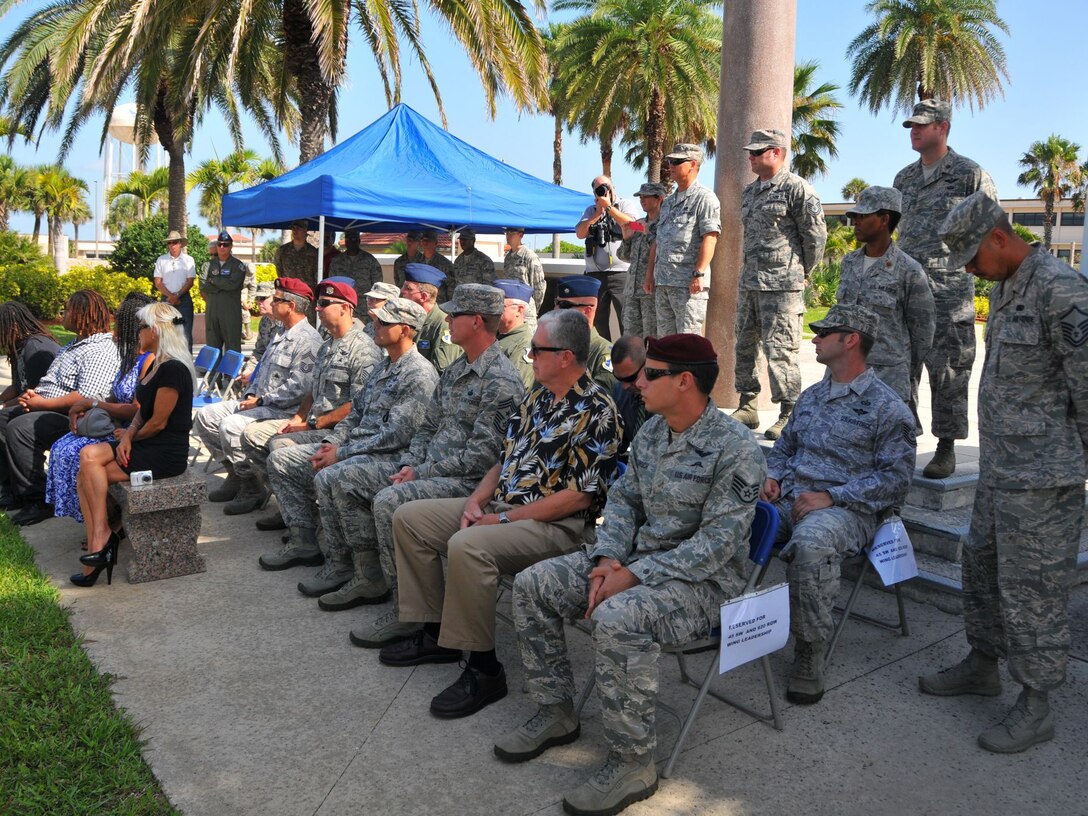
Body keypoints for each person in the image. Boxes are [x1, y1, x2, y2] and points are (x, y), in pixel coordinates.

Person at [495, 334, 765, 816]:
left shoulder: (736, 448)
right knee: (536, 583)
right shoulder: (654, 431)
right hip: (633, 562)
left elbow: (717, 545)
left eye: (650, 374)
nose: (637, 382)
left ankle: (632, 761)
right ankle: (557, 711)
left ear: (685, 382)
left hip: (701, 584)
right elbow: (623, 502)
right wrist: (607, 559)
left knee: (618, 616)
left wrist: (635, 575)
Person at [382, 309, 621, 719]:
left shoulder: (598, 412)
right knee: (410, 518)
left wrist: (504, 519)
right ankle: (436, 632)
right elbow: (504, 460)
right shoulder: (539, 397)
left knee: (469, 545)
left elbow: (578, 499)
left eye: (537, 351)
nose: (529, 356)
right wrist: (477, 501)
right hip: (502, 508)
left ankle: (483, 667)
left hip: (553, 527)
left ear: (565, 356)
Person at [918, 192, 1088, 754]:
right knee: (983, 566)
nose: (968, 270)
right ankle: (983, 662)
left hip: (1043, 479)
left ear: (998, 236)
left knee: (1031, 590)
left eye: (971, 257)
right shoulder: (1007, 283)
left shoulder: (1060, 289)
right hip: (1000, 470)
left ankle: (1036, 703)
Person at [342, 284, 524, 647]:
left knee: (391, 501)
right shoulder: (459, 368)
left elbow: (483, 458)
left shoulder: (500, 380)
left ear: (476, 322)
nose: (448, 320)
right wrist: (412, 464)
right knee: (382, 489)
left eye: (456, 315)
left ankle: (414, 614)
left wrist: (419, 472)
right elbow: (428, 426)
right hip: (437, 471)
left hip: (472, 484)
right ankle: (408, 605)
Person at [762, 304, 916, 705]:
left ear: (850, 340)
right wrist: (773, 477)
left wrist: (833, 496)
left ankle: (809, 652)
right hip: (793, 499)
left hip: (850, 511)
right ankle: (716, 619)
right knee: (732, 521)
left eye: (825, 333)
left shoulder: (889, 409)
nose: (815, 338)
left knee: (812, 545)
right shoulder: (812, 397)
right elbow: (784, 447)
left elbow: (896, 481)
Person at [261, 298, 439, 599]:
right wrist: (332, 443)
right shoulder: (385, 366)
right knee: (282, 459)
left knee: (335, 477)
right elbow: (355, 414)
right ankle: (314, 546)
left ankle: (366, 573)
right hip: (358, 448)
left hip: (393, 458)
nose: (376, 327)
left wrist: (341, 454)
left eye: (384, 323)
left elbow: (397, 435)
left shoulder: (418, 374)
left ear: (406, 330)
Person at [894, 99, 998, 478]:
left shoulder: (969, 175)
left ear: (943, 127)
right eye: (911, 126)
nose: (914, 131)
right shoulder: (903, 179)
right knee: (901, 368)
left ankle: (946, 446)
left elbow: (988, 230)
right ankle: (901, 438)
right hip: (906, 292)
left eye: (922, 125)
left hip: (949, 291)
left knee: (949, 370)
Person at [227, 279, 382, 516]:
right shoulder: (328, 344)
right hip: (312, 422)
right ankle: (292, 503)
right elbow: (312, 389)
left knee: (278, 446)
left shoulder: (363, 349)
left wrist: (312, 423)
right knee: (252, 435)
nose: (317, 308)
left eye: (325, 303)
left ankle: (300, 512)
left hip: (340, 430)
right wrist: (299, 417)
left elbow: (358, 405)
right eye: (318, 303)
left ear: (346, 308)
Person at [71, 303, 196, 587]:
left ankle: (99, 546)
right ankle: (100, 539)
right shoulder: (156, 363)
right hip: (146, 442)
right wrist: (127, 436)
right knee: (87, 461)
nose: (137, 333)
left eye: (141, 327)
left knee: (89, 471)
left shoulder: (173, 369)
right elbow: (143, 412)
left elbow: (159, 423)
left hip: (164, 452)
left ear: (154, 330)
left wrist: (131, 438)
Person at [732, 128, 827, 441]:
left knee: (780, 351)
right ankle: (747, 405)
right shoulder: (750, 192)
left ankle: (789, 412)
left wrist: (800, 272)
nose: (751, 157)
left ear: (776, 152)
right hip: (750, 284)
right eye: (751, 152)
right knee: (744, 345)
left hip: (783, 286)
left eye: (757, 152)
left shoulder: (797, 189)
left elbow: (815, 237)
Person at [195, 278, 321, 503]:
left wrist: (261, 400)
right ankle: (236, 473)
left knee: (231, 425)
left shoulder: (308, 340)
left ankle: (252, 485)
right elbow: (262, 369)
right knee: (206, 416)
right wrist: (252, 394)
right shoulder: (279, 332)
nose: (271, 303)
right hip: (260, 403)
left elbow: (299, 388)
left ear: (291, 306)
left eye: (277, 299)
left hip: (282, 410)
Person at [0, 290, 120, 526]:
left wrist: (40, 403)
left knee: (21, 428)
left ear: (82, 315)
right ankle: (14, 489)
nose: (61, 314)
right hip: (51, 407)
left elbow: (87, 395)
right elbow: (50, 383)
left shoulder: (100, 349)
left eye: (67, 310)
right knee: (3, 419)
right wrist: (35, 394)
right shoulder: (73, 346)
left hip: (78, 418)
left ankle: (38, 499)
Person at [46, 292, 156, 524]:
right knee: (61, 446)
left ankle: (106, 521)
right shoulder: (127, 357)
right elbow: (116, 398)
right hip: (117, 425)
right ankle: (91, 519)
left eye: (120, 318)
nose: (113, 322)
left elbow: (138, 409)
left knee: (77, 454)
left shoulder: (148, 359)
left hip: (133, 433)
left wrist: (96, 404)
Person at [837, 186, 935, 418]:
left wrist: (903, 369)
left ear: (884, 219)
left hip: (888, 379)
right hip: (845, 373)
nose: (856, 222)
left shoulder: (909, 270)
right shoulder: (849, 263)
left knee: (887, 447)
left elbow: (923, 330)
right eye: (855, 216)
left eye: (863, 216)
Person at [643, 145, 720, 336]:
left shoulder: (705, 198)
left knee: (687, 343)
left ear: (693, 164)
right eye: (670, 162)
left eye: (677, 162)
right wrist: (650, 275)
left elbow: (710, 237)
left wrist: (699, 273)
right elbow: (658, 241)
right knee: (665, 342)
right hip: (663, 283)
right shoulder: (668, 202)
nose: (671, 166)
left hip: (688, 285)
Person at [575, 175, 638, 339]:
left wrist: (610, 208)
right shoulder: (590, 210)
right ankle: (604, 358)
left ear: (613, 188)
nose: (602, 191)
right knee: (597, 322)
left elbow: (634, 226)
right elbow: (580, 233)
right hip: (594, 275)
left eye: (605, 187)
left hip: (621, 273)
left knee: (626, 319)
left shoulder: (625, 204)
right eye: (598, 189)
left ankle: (628, 358)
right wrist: (597, 213)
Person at [553, 276, 617, 392]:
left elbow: (599, 400)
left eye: (564, 305)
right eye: (556, 303)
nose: (556, 309)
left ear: (587, 311)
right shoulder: (554, 347)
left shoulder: (604, 353)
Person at [620, 183, 663, 338]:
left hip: (651, 292)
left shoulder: (665, 225)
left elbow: (662, 252)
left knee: (651, 338)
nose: (642, 200)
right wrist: (626, 239)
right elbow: (624, 256)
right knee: (630, 339)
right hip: (632, 292)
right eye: (641, 197)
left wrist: (648, 233)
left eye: (647, 196)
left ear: (659, 199)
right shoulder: (638, 224)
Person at [401, 263, 461, 373]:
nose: (402, 291)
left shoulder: (443, 325)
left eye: (408, 288)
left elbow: (442, 369)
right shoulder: (409, 320)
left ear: (424, 297)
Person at [0, 302, 60, 410]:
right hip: (29, 400)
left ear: (14, 327)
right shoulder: (17, 346)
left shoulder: (35, 349)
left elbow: (35, 394)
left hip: (47, 404)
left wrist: (3, 406)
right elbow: (16, 387)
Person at [199, 230, 250, 354]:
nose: (222, 247)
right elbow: (203, 286)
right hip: (212, 311)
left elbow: (233, 285)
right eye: (220, 244)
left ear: (231, 246)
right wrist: (222, 284)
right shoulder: (207, 265)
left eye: (225, 244)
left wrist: (214, 281)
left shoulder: (238, 266)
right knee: (212, 345)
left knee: (232, 345)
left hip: (230, 311)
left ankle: (230, 373)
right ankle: (212, 372)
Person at [153, 230, 197, 351]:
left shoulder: (189, 260)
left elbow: (190, 281)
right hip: (166, 300)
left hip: (183, 300)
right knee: (165, 334)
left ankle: (187, 366)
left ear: (180, 244)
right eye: (170, 243)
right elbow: (157, 282)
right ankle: (168, 364)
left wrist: (177, 295)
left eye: (175, 242)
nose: (172, 245)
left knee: (185, 334)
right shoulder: (161, 260)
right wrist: (171, 296)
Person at [492, 278, 535, 388]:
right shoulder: (495, 336)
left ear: (519, 310)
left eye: (500, 305)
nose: (493, 310)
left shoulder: (523, 344)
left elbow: (516, 389)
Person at [609, 334, 647, 457]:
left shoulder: (668, 396)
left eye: (630, 378)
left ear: (647, 365)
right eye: (618, 378)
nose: (625, 386)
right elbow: (617, 443)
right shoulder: (620, 393)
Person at [329, 229, 384, 314]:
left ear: (359, 241)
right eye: (348, 239)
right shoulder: (337, 260)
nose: (351, 242)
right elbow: (332, 283)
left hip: (364, 307)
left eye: (353, 239)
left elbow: (378, 283)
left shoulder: (369, 259)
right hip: (343, 305)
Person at [502, 227, 545, 331]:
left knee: (527, 344)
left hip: (526, 311)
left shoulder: (530, 256)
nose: (508, 236)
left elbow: (539, 286)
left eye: (511, 233)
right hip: (510, 310)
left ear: (521, 235)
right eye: (507, 233)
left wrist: (533, 308)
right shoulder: (508, 257)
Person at [273, 221, 320, 308]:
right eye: (293, 228)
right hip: (288, 296)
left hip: (307, 297)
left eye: (298, 228)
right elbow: (279, 272)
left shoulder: (314, 252)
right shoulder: (282, 251)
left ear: (305, 230)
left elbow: (317, 275)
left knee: (309, 321)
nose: (295, 230)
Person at [418, 229, 455, 302]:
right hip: (421, 302)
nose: (425, 242)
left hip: (439, 304)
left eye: (428, 240)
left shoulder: (445, 263)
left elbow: (451, 286)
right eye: (423, 240)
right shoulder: (417, 261)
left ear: (435, 243)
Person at [240, 261, 257, 343]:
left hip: (243, 290)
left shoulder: (251, 273)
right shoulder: (237, 270)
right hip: (232, 293)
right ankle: (238, 335)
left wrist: (250, 301)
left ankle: (248, 332)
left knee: (245, 312)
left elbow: (253, 287)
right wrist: (243, 302)